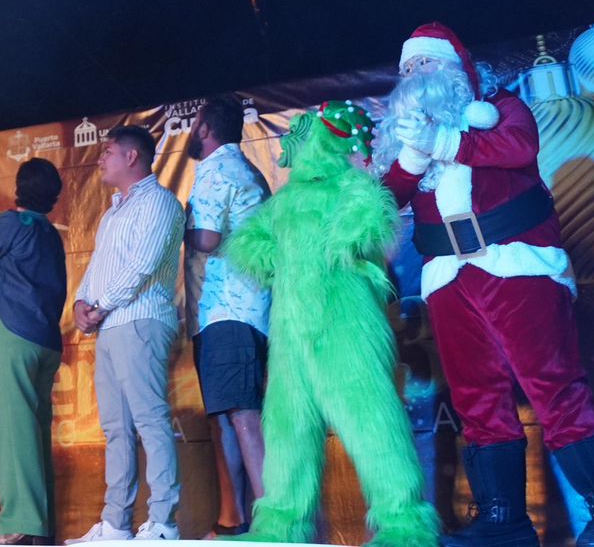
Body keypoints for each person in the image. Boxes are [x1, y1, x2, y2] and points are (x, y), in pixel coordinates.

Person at [376, 23, 594, 547]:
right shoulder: (406, 135)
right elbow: (389, 198)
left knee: (554, 388)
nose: (414, 76)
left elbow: (519, 147)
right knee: (477, 400)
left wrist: (445, 140)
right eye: (407, 69)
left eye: (424, 64)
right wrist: (410, 159)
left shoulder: (499, 105)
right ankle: (504, 522)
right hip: (450, 276)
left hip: (516, 263)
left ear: (455, 66)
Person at [224, 101, 439, 547]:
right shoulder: (286, 202)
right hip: (291, 333)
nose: (291, 150)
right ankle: (281, 524)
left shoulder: (349, 187)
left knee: (371, 421)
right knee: (287, 427)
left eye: (303, 139)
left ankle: (403, 523)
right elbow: (248, 242)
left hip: (345, 327)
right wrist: (277, 258)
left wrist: (338, 238)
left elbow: (372, 223)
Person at [68, 124, 186, 543]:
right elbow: (99, 267)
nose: (100, 159)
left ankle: (163, 522)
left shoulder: (160, 204)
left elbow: (140, 267)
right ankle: (116, 523)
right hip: (111, 324)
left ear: (132, 156)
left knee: (151, 420)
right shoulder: (112, 211)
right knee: (116, 428)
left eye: (108, 152)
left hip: (140, 320)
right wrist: (82, 302)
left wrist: (100, 306)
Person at [0, 158, 69, 547]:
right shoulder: (50, 234)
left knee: (13, 431)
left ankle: (21, 526)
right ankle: (40, 528)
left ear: (18, 188)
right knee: (34, 432)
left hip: (15, 332)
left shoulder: (11, 223)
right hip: (45, 339)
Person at [182, 95, 271, 536]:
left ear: (203, 129)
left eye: (193, 123)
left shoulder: (217, 170)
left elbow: (207, 238)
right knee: (228, 418)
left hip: (229, 310)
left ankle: (274, 525)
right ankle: (234, 522)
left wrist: (173, 225)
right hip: (234, 311)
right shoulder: (247, 169)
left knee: (242, 416)